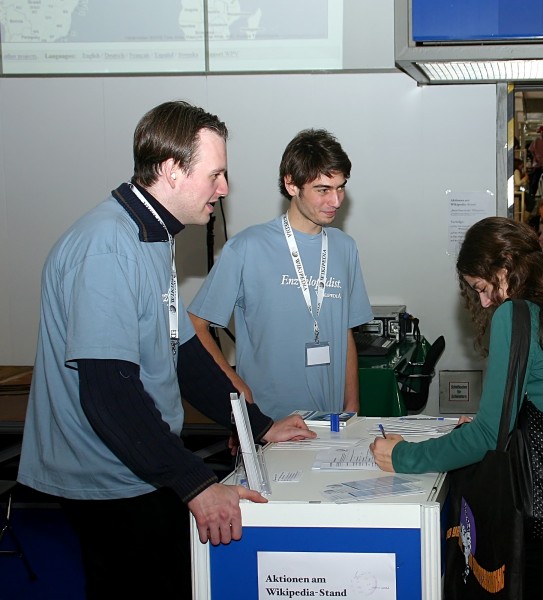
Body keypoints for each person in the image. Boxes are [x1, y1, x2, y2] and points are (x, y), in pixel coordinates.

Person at [16, 101, 316, 599]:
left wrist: (257, 424)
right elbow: (109, 392)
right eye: (216, 174)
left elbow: (182, 353)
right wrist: (197, 485)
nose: (224, 189)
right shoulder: (109, 247)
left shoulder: (152, 237)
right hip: (108, 474)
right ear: (172, 170)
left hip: (137, 464)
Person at [370, 216, 543, 599]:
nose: (485, 301)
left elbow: (488, 435)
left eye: (483, 288)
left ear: (505, 268)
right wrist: (513, 421)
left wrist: (403, 456)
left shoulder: (515, 315)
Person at [188, 128, 373, 421]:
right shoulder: (247, 247)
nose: (336, 201)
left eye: (341, 187)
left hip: (332, 422)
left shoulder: (344, 248)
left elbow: (345, 330)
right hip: (269, 423)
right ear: (291, 184)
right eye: (323, 190)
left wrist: (352, 406)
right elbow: (195, 326)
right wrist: (236, 389)